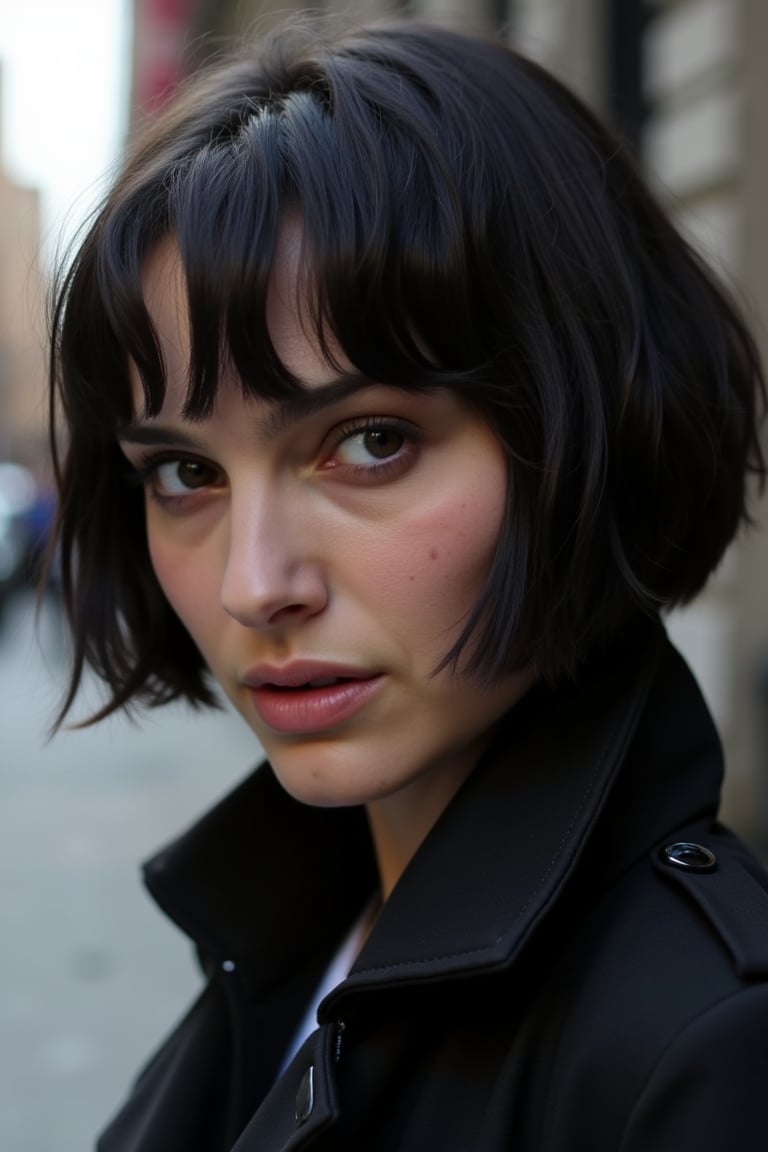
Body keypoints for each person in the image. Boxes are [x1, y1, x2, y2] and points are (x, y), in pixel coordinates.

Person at [47, 16, 768, 1152]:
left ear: (584, 427)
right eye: (186, 472)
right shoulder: (300, 920)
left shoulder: (704, 1052)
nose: (253, 584)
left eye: (369, 442)